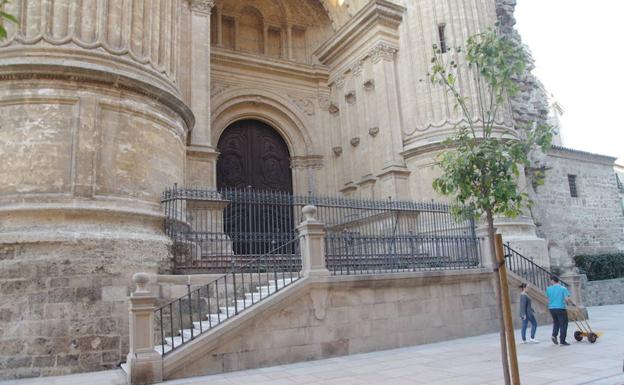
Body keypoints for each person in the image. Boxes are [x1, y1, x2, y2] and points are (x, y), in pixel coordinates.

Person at [546, 275, 573, 346]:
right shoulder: (563, 288)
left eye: (550, 280)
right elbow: (567, 299)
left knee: (556, 322)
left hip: (552, 308)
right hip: (560, 308)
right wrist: (570, 303)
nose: (550, 282)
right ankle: (562, 340)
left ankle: (554, 335)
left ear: (552, 280)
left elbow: (548, 298)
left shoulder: (548, 289)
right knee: (563, 324)